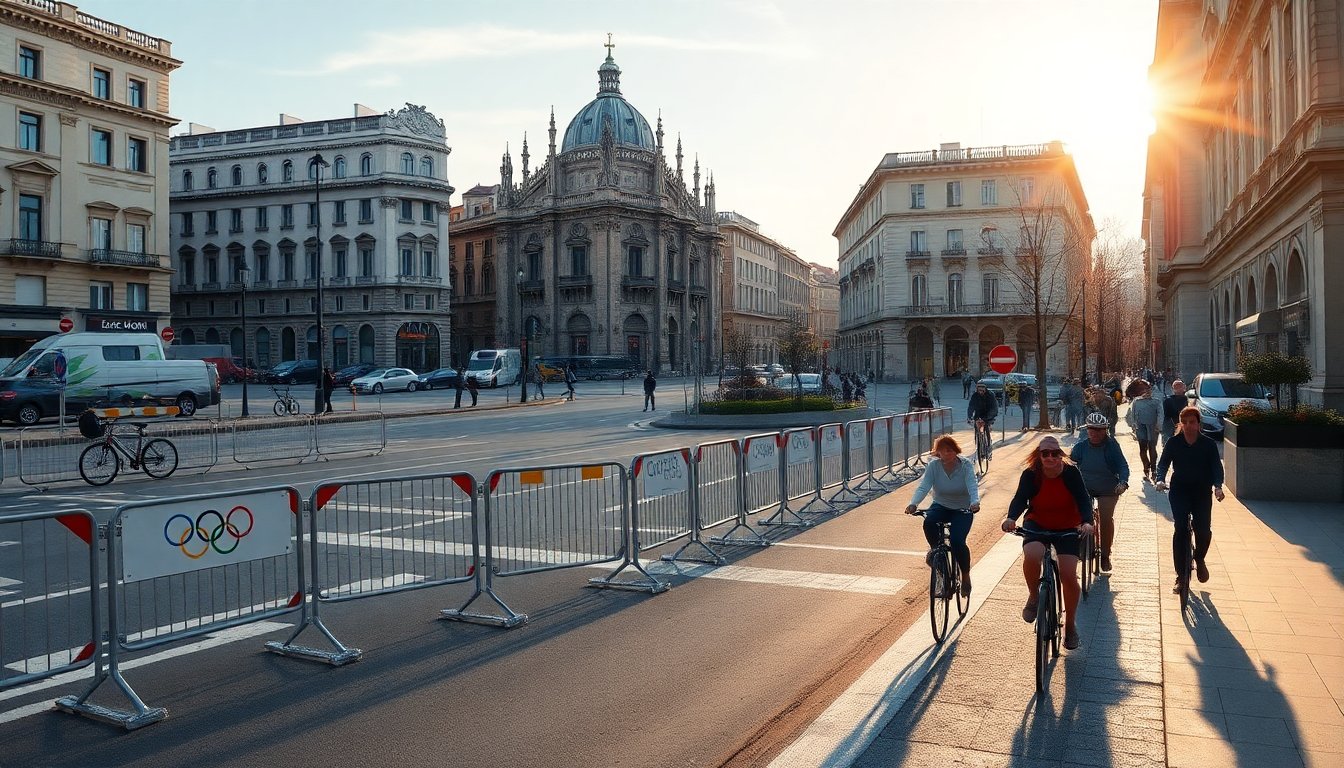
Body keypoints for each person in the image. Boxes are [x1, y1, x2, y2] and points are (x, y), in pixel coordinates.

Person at [1001, 436, 1095, 650]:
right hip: (1038, 523)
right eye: (1045, 454)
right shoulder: (1031, 474)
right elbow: (1020, 498)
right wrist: (1011, 518)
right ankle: (1034, 597)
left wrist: (1087, 522)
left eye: (1055, 453)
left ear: (1060, 455)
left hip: (1068, 526)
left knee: (1068, 574)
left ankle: (1070, 626)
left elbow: (1083, 498)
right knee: (1032, 554)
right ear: (1039, 455)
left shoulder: (1071, 473)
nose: (1050, 457)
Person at [1155, 406, 1225, 593]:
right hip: (1180, 490)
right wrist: (1160, 479)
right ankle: (1181, 576)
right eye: (1184, 422)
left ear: (1198, 423)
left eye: (1192, 422)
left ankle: (1199, 558)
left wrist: (1218, 486)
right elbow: (1163, 463)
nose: (1188, 425)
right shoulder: (1174, 442)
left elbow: (1216, 467)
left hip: (1202, 492)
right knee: (1180, 529)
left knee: (1204, 531)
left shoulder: (1208, 444)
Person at [905, 434, 981, 598]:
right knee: (929, 522)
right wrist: (914, 503)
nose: (948, 453)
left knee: (957, 541)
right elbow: (924, 486)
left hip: (962, 508)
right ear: (937, 452)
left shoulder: (965, 465)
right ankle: (938, 560)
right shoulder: (934, 466)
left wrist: (975, 502)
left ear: (956, 451)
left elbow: (972, 485)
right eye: (944, 450)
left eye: (951, 450)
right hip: (941, 505)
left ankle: (965, 576)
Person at [1070, 412, 1130, 572]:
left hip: (1108, 489)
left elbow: (1123, 466)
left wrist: (1123, 482)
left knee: (1105, 518)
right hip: (1085, 489)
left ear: (1105, 430)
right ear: (1087, 430)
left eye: (1100, 430)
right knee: (1078, 516)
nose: (1095, 433)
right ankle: (1081, 547)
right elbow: (1070, 465)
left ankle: (1105, 554)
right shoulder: (1080, 447)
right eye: (1092, 429)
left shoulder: (1112, 446)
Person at [1125, 379, 1163, 482]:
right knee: (1142, 448)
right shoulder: (1136, 402)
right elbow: (1131, 415)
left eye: (1148, 389)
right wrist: (1133, 425)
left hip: (1153, 426)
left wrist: (1159, 425)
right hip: (1140, 427)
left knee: (1152, 448)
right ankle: (1146, 467)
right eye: (1144, 390)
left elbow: (1160, 413)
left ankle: (1154, 470)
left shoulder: (1156, 401)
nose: (1146, 391)